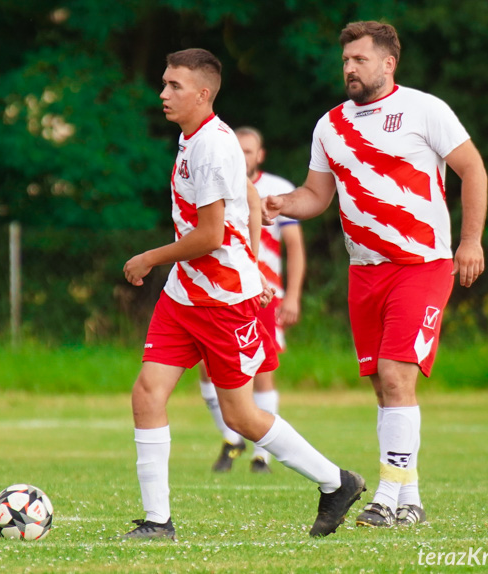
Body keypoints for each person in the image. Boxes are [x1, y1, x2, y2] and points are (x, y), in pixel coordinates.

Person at [122, 48, 365, 540]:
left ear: (203, 94)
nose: (163, 93)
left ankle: (336, 482)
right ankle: (157, 522)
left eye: (174, 86)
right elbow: (250, 197)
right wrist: (253, 257)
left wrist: (150, 257)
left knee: (242, 415)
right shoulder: (191, 137)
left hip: (223, 303)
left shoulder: (214, 145)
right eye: (164, 83)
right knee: (147, 393)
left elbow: (210, 236)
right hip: (184, 296)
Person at [263, 21, 487, 528]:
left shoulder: (425, 109)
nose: (349, 68)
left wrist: (469, 241)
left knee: (395, 376)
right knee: (384, 389)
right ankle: (410, 500)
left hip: (422, 264)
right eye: (345, 61)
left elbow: (472, 168)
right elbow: (316, 196)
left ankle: (386, 499)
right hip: (364, 272)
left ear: (389, 63)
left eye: (359, 60)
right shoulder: (331, 125)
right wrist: (281, 205)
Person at [199, 126, 306, 474]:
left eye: (249, 151)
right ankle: (232, 439)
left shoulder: (277, 189)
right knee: (205, 368)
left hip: (262, 296)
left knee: (261, 371)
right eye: (238, 150)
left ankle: (263, 455)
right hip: (220, 292)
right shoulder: (218, 182)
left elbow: (295, 248)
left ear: (259, 155)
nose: (243, 156)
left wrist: (292, 295)